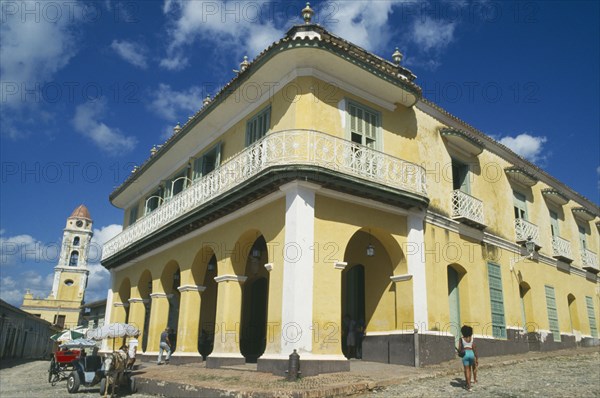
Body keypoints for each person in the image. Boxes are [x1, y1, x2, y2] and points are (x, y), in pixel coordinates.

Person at [458, 325, 478, 391]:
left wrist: (459, 352)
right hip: (471, 353)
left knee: (466, 370)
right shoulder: (471, 338)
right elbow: (474, 348)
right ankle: (469, 383)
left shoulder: (461, 339)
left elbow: (459, 348)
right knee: (470, 369)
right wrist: (476, 357)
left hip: (465, 354)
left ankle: (468, 385)